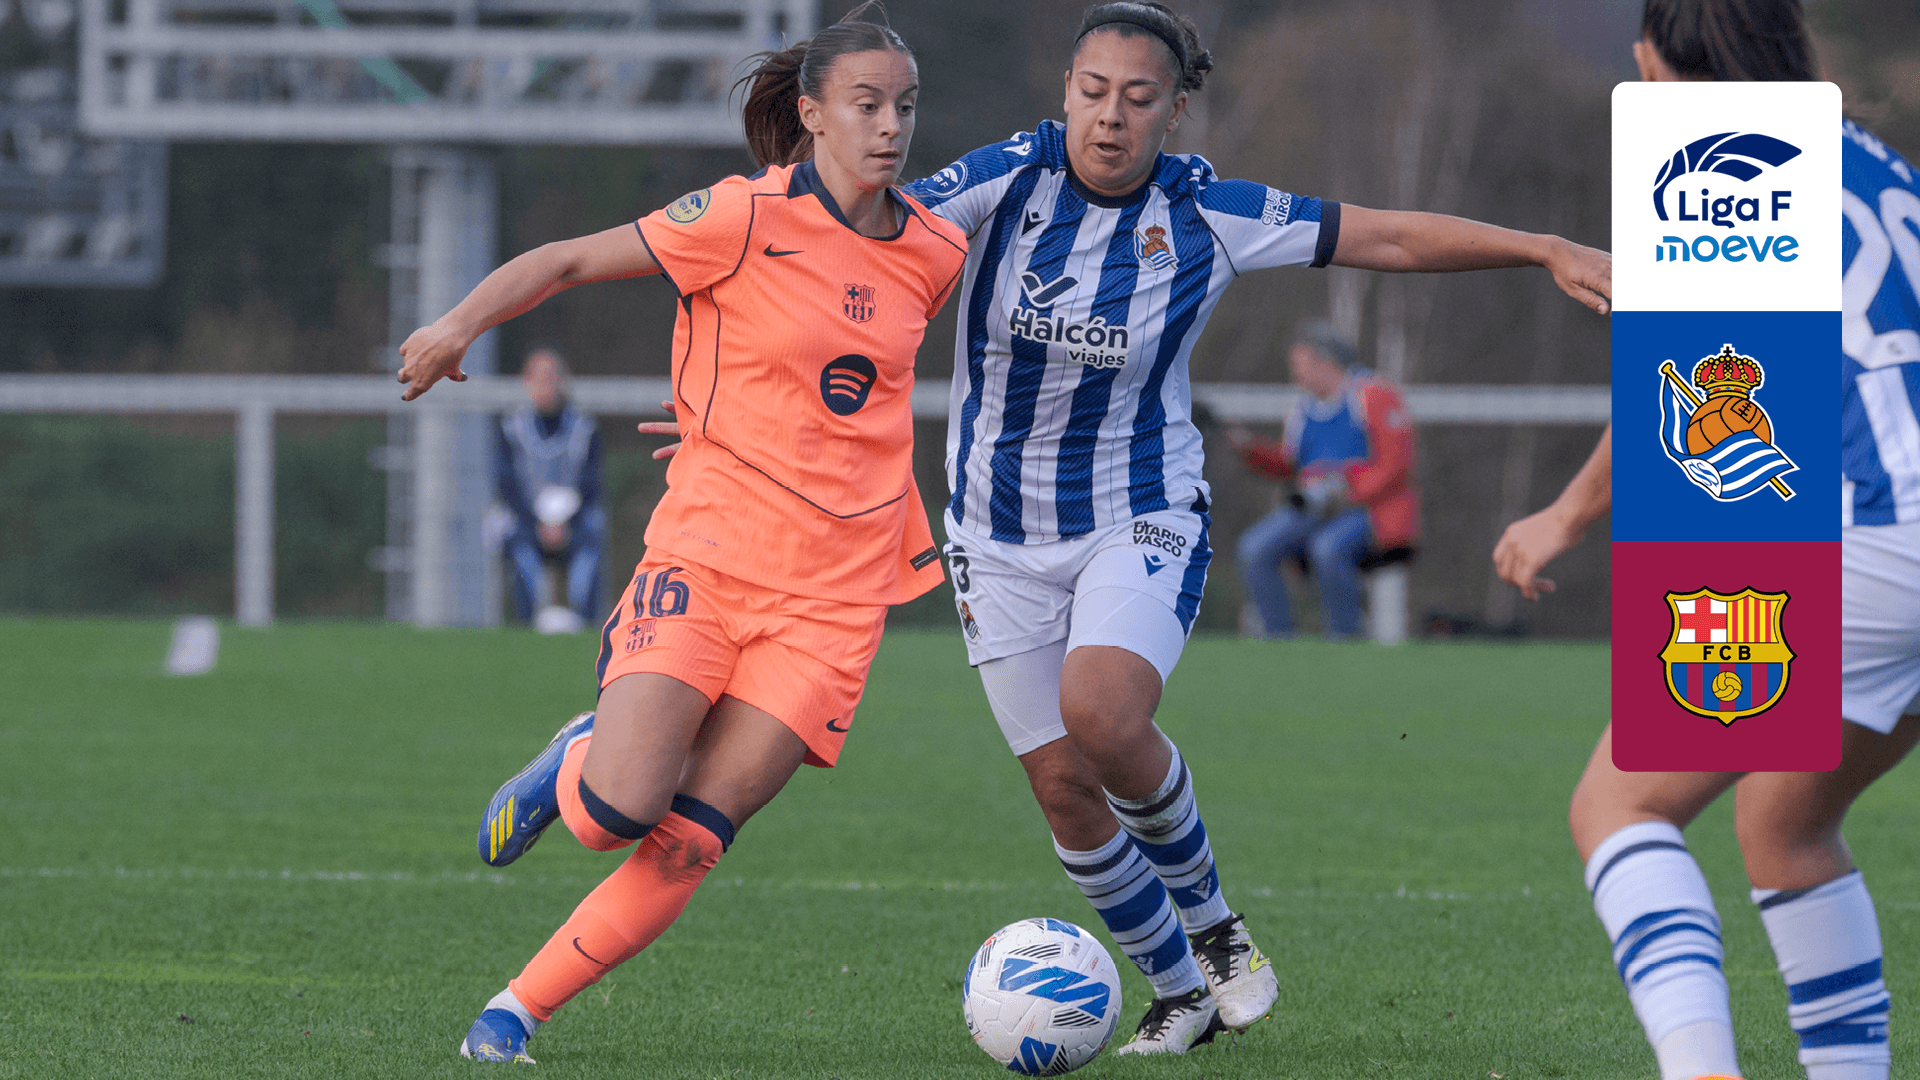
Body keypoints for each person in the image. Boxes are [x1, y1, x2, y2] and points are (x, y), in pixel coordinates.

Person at [899, 0, 1610, 1054]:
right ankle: (1180, 994)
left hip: (1136, 513)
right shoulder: (1001, 182)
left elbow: (1386, 235)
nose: (1110, 117)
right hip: (994, 537)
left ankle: (1218, 930)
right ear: (1064, 93)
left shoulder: (1207, 213)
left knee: (1101, 714)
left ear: (1175, 111)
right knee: (1063, 788)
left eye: (1137, 98)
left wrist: (1542, 246)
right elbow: (848, 245)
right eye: (1092, 92)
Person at [395, 9, 967, 1062]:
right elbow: (568, 261)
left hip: (836, 598)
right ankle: (575, 756)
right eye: (868, 105)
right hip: (710, 556)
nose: (892, 127)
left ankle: (513, 1015)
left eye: (906, 106)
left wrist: (734, 406)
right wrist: (455, 324)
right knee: (615, 810)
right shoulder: (741, 216)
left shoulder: (936, 250)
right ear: (813, 113)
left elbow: (847, 390)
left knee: (693, 838)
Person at [1492, 3, 1918, 1078]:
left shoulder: (1719, 164)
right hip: (1888, 541)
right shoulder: (1871, 161)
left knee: (1621, 804)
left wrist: (1560, 518)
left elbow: (1681, 392)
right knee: (1784, 821)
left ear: (1650, 60)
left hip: (1880, 538)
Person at [1229, 320, 1418, 639]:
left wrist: (1347, 490)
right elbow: (1287, 464)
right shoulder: (1302, 409)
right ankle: (1279, 642)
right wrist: (1249, 449)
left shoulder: (1372, 395)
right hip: (1314, 509)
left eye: (1300, 366)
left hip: (1366, 509)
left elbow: (1396, 465)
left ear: (1326, 362)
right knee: (1253, 548)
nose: (1296, 375)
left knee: (1327, 549)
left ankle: (1344, 639)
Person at [495, 348, 605, 628]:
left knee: (593, 532)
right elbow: (506, 484)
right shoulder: (512, 428)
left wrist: (565, 522)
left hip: (574, 521)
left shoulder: (584, 428)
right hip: (528, 520)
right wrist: (537, 522)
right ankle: (526, 624)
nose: (547, 385)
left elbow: (593, 483)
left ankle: (586, 624)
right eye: (540, 378)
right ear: (527, 382)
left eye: (552, 377)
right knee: (514, 539)